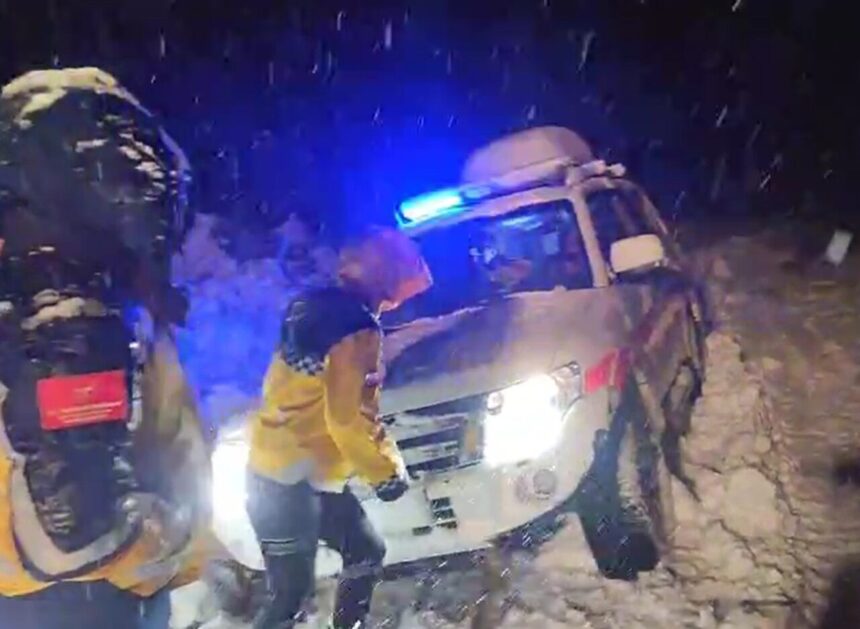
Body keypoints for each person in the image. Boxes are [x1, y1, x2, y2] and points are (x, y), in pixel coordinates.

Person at [0, 68, 212, 627]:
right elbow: (76, 531)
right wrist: (163, 540)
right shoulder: (68, 318)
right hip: (86, 603)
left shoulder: (30, 297)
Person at [247, 226, 432, 628]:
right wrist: (385, 472)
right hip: (288, 481)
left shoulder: (311, 304)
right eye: (402, 291)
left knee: (364, 551)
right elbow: (348, 417)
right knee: (290, 596)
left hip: (289, 471)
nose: (400, 302)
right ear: (387, 281)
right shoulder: (356, 329)